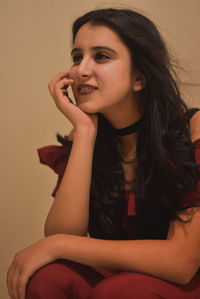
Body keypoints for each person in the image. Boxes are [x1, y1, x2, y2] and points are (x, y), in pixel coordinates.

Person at [7, 7, 200, 299]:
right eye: (76, 57)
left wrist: (56, 246)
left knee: (118, 291)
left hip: (183, 282)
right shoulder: (86, 134)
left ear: (140, 78)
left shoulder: (192, 131)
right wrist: (84, 132)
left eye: (101, 56)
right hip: (120, 279)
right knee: (47, 278)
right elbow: (64, 232)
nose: (81, 70)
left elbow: (181, 263)